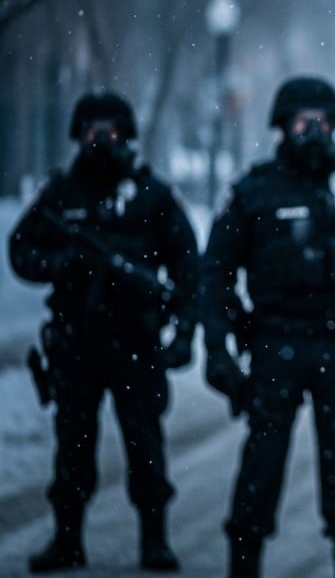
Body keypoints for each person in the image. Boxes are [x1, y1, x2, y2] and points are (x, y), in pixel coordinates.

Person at [201, 76, 335, 578]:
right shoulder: (253, 191)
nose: (314, 132)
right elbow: (214, 274)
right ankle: (244, 564)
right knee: (262, 462)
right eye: (303, 123)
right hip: (275, 345)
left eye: (322, 123)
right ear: (282, 126)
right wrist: (216, 348)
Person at [8, 91, 198, 574]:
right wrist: (62, 264)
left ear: (126, 135)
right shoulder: (60, 196)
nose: (101, 141)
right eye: (93, 131)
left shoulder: (152, 196)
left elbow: (187, 267)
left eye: (110, 131)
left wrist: (183, 332)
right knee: (73, 445)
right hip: (78, 342)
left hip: (136, 341)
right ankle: (67, 538)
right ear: (79, 135)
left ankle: (154, 539)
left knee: (144, 443)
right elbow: (21, 251)